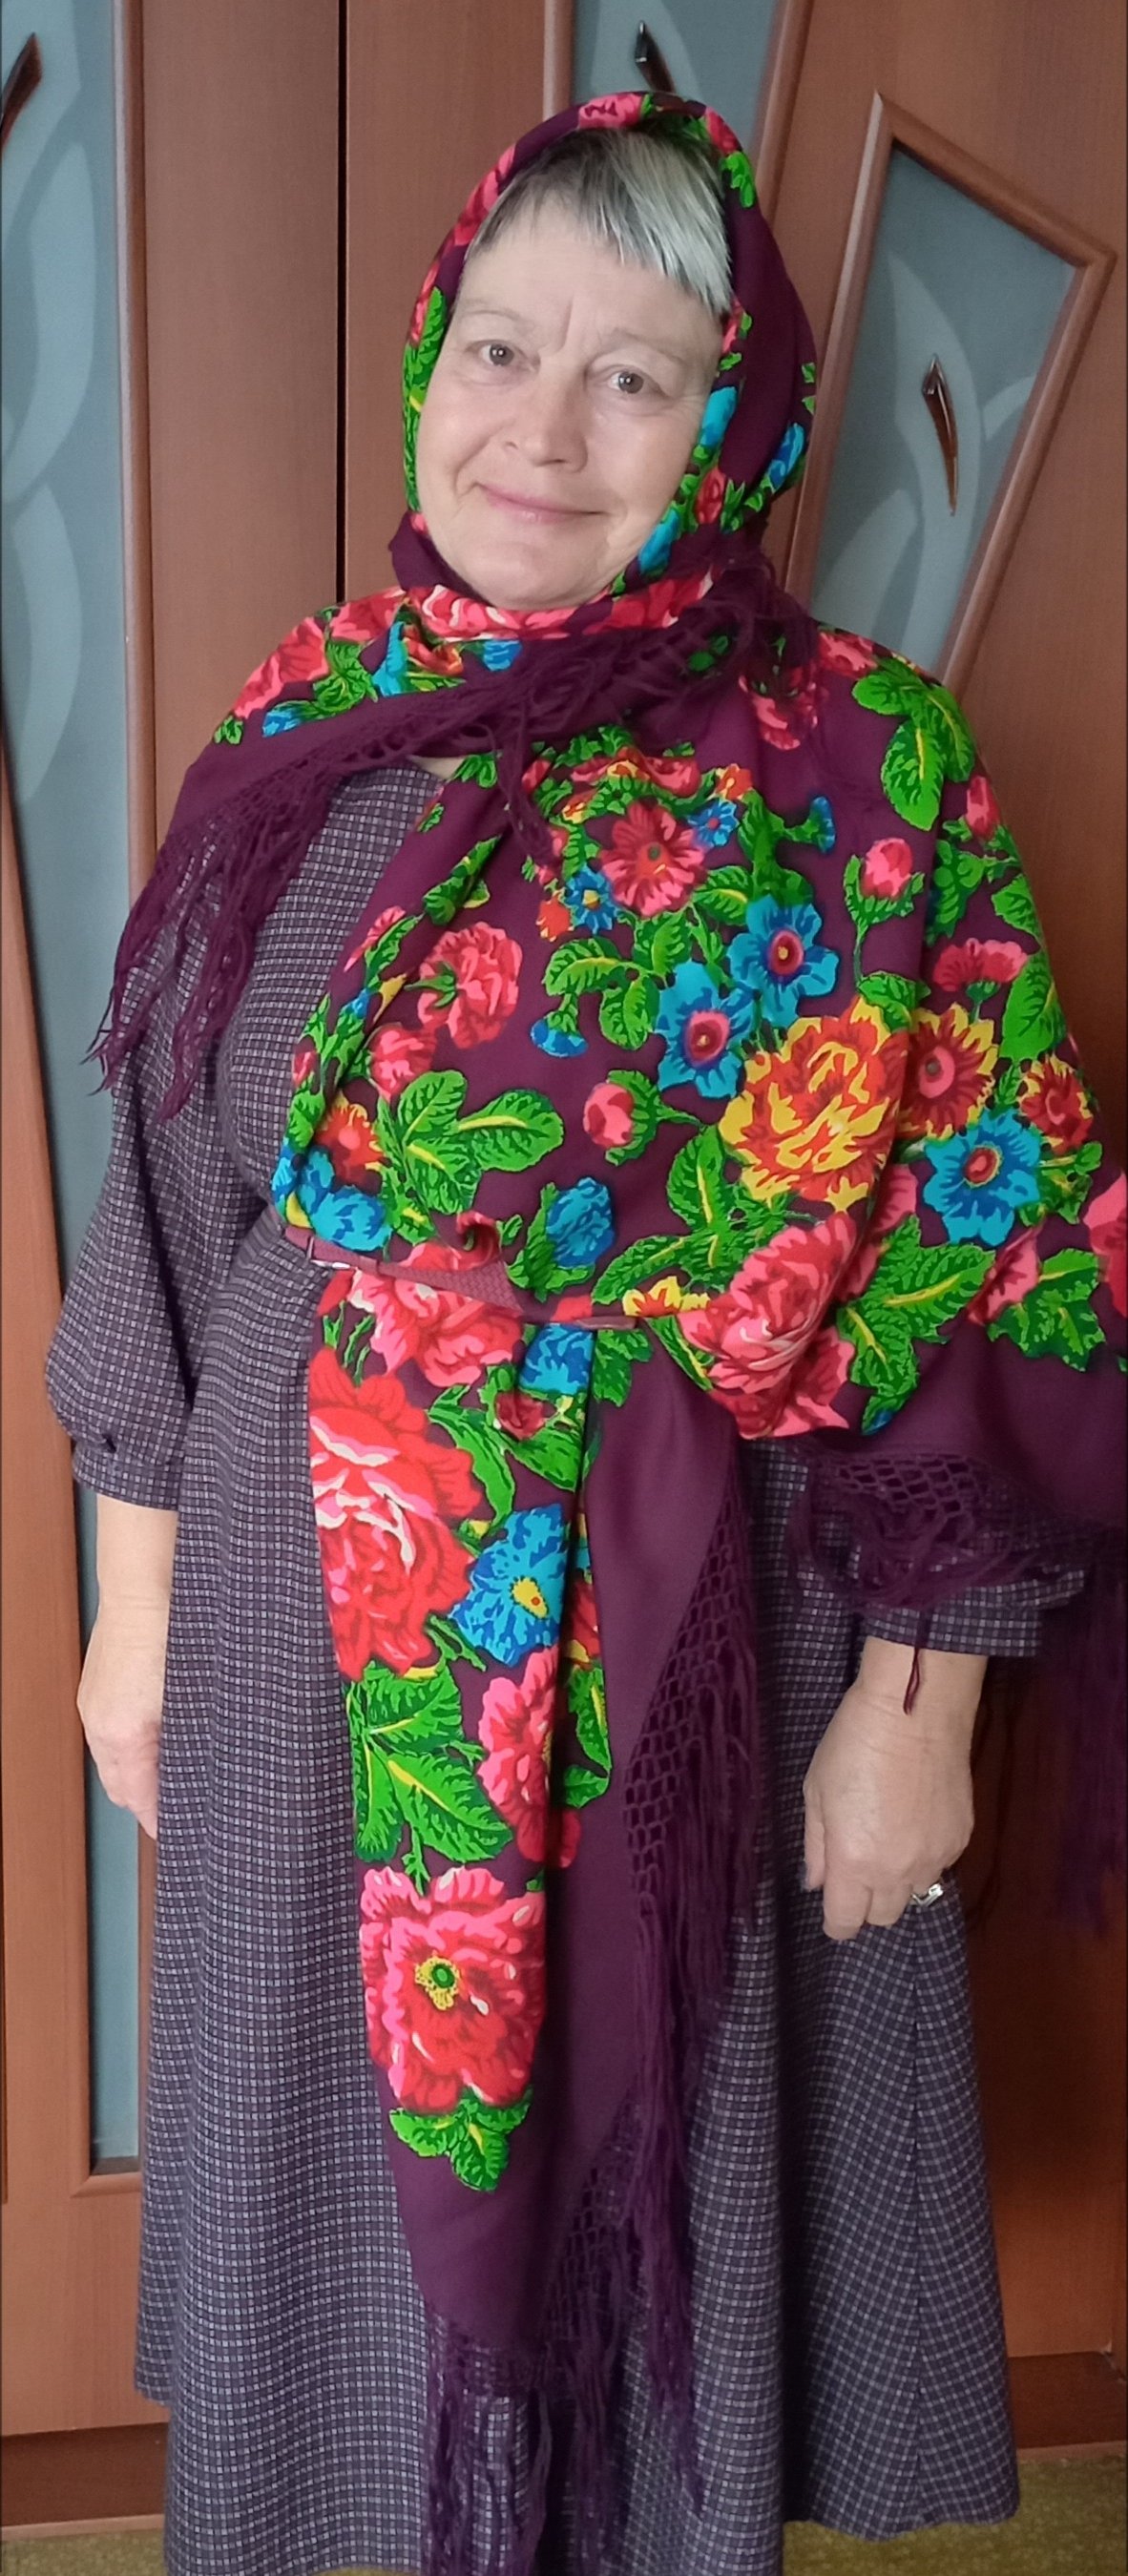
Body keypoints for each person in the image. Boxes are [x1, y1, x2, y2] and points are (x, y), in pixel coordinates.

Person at [47, 92, 1124, 2576]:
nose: (543, 427)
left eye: (634, 375)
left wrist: (925, 1715)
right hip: (321, 1647)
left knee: (664, 2237)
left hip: (707, 1652)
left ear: (730, 419)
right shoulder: (299, 723)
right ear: (431, 358)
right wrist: (132, 1611)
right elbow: (172, 1204)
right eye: (504, 349)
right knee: (332, 2255)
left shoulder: (863, 763)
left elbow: (995, 1245)